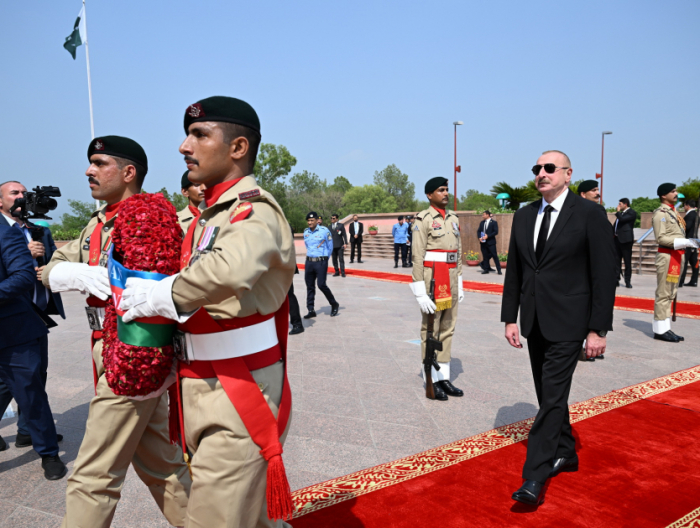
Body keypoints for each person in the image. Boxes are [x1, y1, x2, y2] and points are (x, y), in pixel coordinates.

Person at [119, 97, 297, 527]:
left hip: (239, 389)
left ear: (237, 148)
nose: (184, 146)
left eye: (199, 134)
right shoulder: (209, 216)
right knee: (249, 519)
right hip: (202, 384)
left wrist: (165, 294)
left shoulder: (253, 210)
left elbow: (231, 269)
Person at [43, 136, 191, 528]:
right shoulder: (98, 222)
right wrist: (70, 272)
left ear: (128, 173)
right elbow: (50, 266)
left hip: (133, 350)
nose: (89, 171)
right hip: (102, 346)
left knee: (92, 475)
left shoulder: (147, 219)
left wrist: (141, 356)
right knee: (161, 465)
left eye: (99, 163)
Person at [501, 150, 616, 505]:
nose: (542, 173)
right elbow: (516, 271)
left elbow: (604, 274)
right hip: (535, 320)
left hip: (571, 322)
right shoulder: (523, 215)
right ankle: (566, 451)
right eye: (537, 168)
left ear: (568, 174)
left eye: (550, 168)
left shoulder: (590, 214)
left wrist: (598, 329)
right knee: (548, 394)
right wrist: (510, 318)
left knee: (550, 399)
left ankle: (534, 476)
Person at [0, 181, 66, 450]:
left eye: (23, 193)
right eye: (14, 193)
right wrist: (23, 257)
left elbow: (52, 264)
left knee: (37, 374)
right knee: (15, 380)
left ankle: (27, 430)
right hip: (11, 312)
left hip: (37, 311)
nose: (21, 197)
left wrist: (43, 258)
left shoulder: (40, 230)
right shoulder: (5, 231)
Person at [410, 177, 464, 401]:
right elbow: (417, 256)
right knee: (431, 330)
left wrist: (459, 281)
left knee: (448, 328)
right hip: (433, 279)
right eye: (440, 190)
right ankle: (430, 376)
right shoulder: (423, 219)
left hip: (450, 277)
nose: (445, 193)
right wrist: (420, 291)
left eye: (447, 189)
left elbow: (458, 252)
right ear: (429, 195)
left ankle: (443, 376)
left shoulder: (453, 218)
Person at [651, 183, 698, 342]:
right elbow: (660, 238)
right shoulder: (660, 214)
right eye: (673, 191)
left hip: (676, 257)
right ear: (663, 195)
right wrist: (684, 242)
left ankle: (666, 327)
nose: (676, 193)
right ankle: (659, 330)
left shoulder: (673, 212)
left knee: (671, 292)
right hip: (667, 257)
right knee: (664, 293)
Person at [303, 211, 339, 318]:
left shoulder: (324, 231)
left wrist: (324, 259)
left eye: (311, 220)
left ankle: (334, 303)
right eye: (308, 221)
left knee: (321, 284)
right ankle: (311, 310)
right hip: (309, 262)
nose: (309, 222)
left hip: (321, 262)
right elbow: (307, 245)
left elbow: (330, 246)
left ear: (317, 221)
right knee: (310, 286)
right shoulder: (306, 232)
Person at [614, 198, 638, 288]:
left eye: (620, 204)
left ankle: (627, 281)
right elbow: (616, 225)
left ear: (625, 204)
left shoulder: (631, 213)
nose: (618, 206)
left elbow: (623, 220)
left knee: (627, 261)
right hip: (616, 240)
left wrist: (618, 212)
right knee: (616, 261)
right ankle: (616, 279)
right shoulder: (621, 214)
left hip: (626, 241)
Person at [177, 170, 206, 234]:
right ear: (185, 192)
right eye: (197, 184)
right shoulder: (175, 220)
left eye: (207, 184)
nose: (204, 188)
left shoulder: (222, 215)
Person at [289, 224, 304, 335]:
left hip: (282, 268)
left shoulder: (283, 225)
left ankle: (297, 324)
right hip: (278, 267)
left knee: (289, 296)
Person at [679, 199, 699, 287]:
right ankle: (694, 281)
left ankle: (681, 281)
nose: (684, 207)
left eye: (684, 205)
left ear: (687, 205)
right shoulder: (695, 214)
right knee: (694, 261)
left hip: (688, 240)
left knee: (684, 261)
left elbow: (687, 226)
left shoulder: (690, 215)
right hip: (694, 240)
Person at [477, 210, 501, 275]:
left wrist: (488, 236)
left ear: (487, 215)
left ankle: (499, 270)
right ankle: (486, 269)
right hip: (483, 242)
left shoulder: (494, 222)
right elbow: (479, 231)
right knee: (485, 256)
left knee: (494, 256)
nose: (482, 216)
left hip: (491, 242)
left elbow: (495, 231)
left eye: (483, 215)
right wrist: (479, 237)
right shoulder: (482, 223)